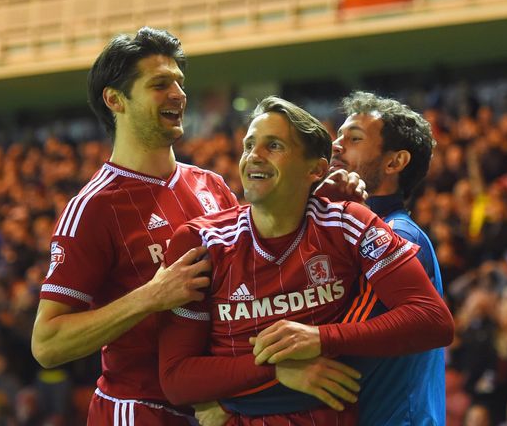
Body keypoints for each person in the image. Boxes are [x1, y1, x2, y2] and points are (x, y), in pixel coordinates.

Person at [158, 96, 454, 424]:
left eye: (274, 145)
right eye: (248, 145)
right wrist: (274, 370)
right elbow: (177, 378)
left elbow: (341, 359)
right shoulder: (203, 241)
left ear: (316, 169)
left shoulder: (368, 227)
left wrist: (231, 402)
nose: (254, 155)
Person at [30, 27, 239, 425]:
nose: (178, 94)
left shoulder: (212, 186)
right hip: (141, 409)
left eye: (179, 83)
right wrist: (150, 297)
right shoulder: (93, 208)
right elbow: (47, 343)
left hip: (219, 407)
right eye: (160, 85)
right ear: (115, 100)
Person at [330, 90, 447, 424]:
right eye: (339, 136)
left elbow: (339, 347)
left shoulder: (397, 236)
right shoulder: (354, 229)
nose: (336, 145)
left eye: (354, 138)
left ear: (394, 162)